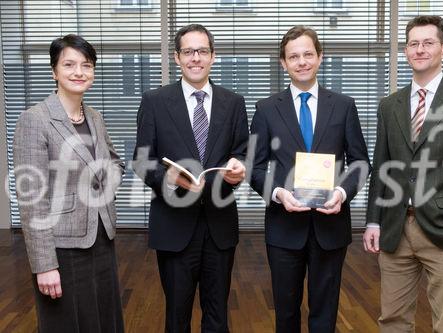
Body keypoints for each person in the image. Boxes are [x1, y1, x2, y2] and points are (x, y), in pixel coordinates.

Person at [363, 15, 443, 332]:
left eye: (428, 43)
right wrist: (373, 219)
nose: (420, 49)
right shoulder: (388, 105)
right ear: (406, 51)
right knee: (392, 321)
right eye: (413, 43)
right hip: (395, 229)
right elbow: (382, 165)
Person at [249, 26, 370, 333]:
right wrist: (278, 193)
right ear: (283, 63)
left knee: (325, 313)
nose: (301, 61)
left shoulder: (343, 106)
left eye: (307, 54)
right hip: (283, 228)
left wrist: (342, 193)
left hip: (330, 227)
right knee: (286, 314)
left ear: (320, 57)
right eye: (293, 56)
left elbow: (359, 162)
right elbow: (255, 167)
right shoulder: (265, 109)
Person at [133, 24, 248, 332]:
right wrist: (170, 179)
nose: (196, 58)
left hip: (219, 226)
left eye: (203, 51)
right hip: (174, 227)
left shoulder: (234, 102)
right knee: (176, 317)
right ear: (177, 57)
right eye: (188, 51)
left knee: (217, 316)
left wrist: (238, 169)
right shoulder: (155, 101)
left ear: (213, 56)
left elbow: (242, 152)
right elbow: (142, 161)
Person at [13, 34, 125, 332]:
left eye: (86, 65)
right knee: (67, 323)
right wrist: (44, 265)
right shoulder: (34, 119)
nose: (79, 72)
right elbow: (30, 198)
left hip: (101, 239)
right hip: (61, 247)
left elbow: (115, 163)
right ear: (54, 71)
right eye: (69, 64)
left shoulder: (95, 117)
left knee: (104, 321)